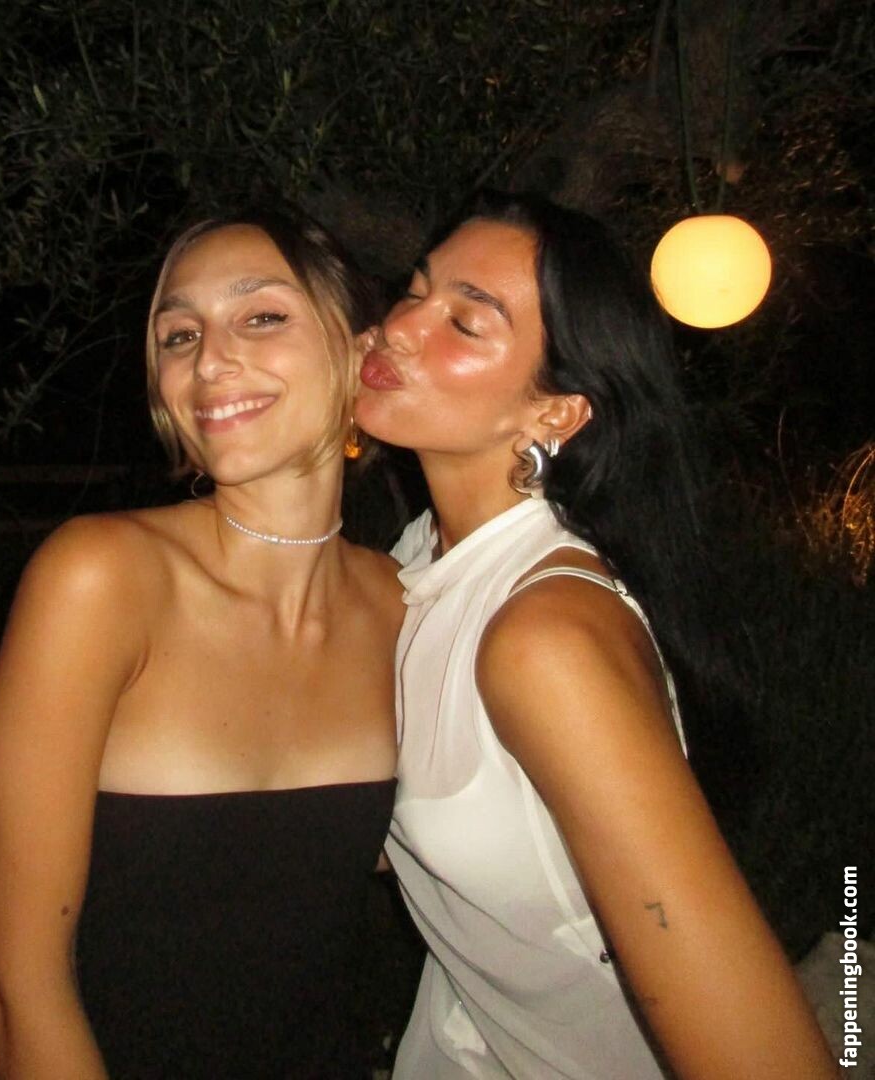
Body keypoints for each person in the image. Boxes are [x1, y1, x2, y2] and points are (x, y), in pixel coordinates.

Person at [354, 192, 835, 1079]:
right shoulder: (419, 556)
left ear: (556, 414)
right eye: (415, 291)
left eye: (465, 321)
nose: (401, 327)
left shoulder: (547, 638)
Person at [0, 208, 404, 1079]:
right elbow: (18, 986)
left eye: (262, 316)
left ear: (362, 353)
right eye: (179, 335)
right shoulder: (101, 578)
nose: (209, 361)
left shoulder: (402, 603)